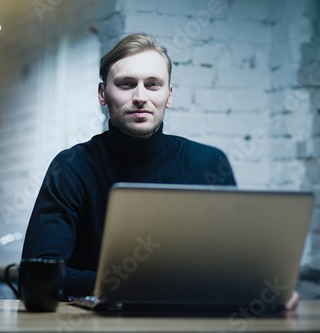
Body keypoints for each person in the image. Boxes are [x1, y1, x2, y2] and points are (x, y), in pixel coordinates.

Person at [21, 33, 300, 309]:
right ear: (103, 94)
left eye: (152, 85)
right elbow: (37, 276)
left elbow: (236, 266)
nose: (140, 97)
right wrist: (137, 285)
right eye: (126, 84)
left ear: (169, 95)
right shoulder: (70, 167)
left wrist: (264, 288)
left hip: (191, 324)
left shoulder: (210, 164)